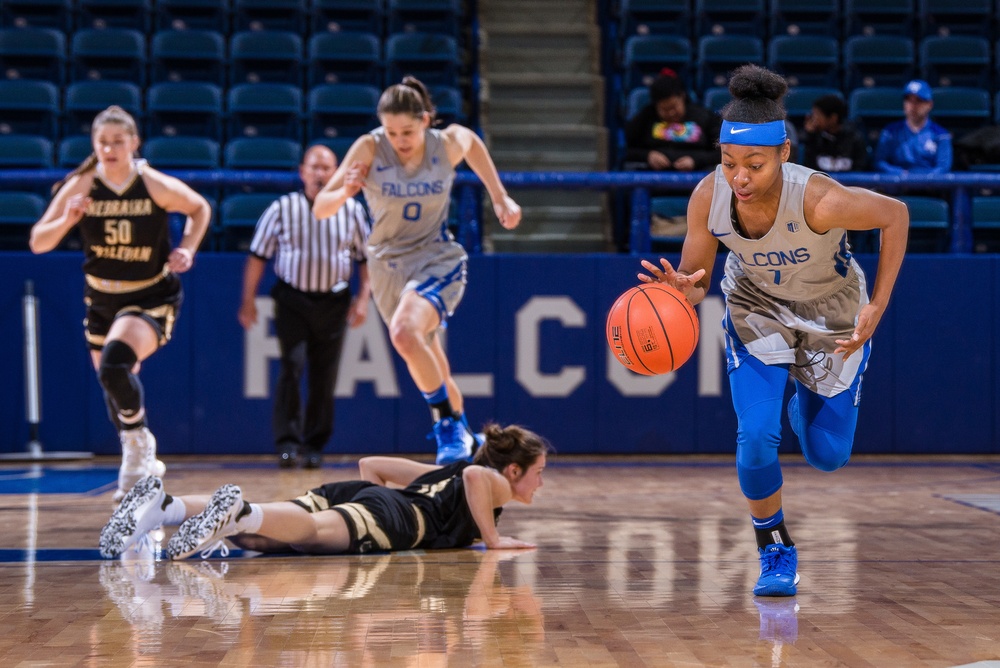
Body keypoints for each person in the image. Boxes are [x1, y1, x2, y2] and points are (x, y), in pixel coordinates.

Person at [637, 65, 908, 597]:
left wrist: (878, 302)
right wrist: (680, 291)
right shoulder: (707, 198)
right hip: (755, 307)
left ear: (784, 153)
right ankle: (774, 547)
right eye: (728, 161)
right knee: (755, 435)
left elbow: (895, 216)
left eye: (754, 165)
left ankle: (800, 398)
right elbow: (697, 285)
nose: (739, 177)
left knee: (828, 456)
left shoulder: (820, 199)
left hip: (832, 315)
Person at [312, 76, 522, 465]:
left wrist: (499, 196)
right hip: (386, 266)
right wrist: (344, 191)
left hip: (435, 256)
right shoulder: (369, 147)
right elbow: (320, 208)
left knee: (405, 333)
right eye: (391, 131)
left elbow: (473, 142)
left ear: (425, 120)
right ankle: (467, 435)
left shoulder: (446, 144)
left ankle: (444, 425)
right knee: (431, 360)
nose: (399, 140)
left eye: (407, 131)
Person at [29, 105, 212, 503]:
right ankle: (140, 449)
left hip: (149, 293)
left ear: (134, 143)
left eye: (117, 141)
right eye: (103, 142)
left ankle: (138, 448)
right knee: (112, 383)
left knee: (114, 364)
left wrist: (188, 248)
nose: (110, 148)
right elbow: (38, 242)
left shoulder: (151, 183)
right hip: (101, 296)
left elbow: (200, 207)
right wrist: (66, 220)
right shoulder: (82, 184)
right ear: (94, 146)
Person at [99, 422, 549, 560]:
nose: (541, 482)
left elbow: (370, 465)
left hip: (369, 497)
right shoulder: (489, 481)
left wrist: (369, 500)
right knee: (310, 532)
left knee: (258, 539)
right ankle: (236, 513)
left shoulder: (443, 472)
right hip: (398, 517)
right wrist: (493, 540)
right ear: (512, 469)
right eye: (539, 471)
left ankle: (165, 507)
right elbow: (476, 479)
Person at [237, 144, 372, 469]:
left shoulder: (352, 210)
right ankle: (287, 442)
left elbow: (366, 261)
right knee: (291, 367)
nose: (321, 174)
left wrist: (363, 298)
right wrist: (248, 300)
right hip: (292, 299)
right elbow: (258, 257)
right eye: (315, 167)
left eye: (327, 168)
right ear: (302, 172)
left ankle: (314, 445)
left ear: (336, 172)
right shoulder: (283, 208)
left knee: (325, 377)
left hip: (334, 301)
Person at [623, 68, 722, 172]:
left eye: (674, 107)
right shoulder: (646, 117)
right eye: (664, 110)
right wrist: (648, 155)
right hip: (653, 179)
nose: (671, 113)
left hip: (697, 177)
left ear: (682, 97)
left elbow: (721, 152)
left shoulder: (704, 116)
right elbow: (627, 151)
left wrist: (696, 160)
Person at [873, 80, 953, 174]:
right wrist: (900, 173)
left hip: (931, 187)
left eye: (918, 101)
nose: (912, 106)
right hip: (897, 185)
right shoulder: (890, 131)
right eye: (908, 100)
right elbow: (879, 163)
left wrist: (923, 179)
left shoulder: (941, 134)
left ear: (929, 105)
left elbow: (943, 168)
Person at [800, 94, 869, 173]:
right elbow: (808, 170)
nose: (814, 120)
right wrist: (810, 136)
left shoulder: (855, 139)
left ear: (833, 118)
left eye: (818, 115)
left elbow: (860, 171)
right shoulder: (814, 138)